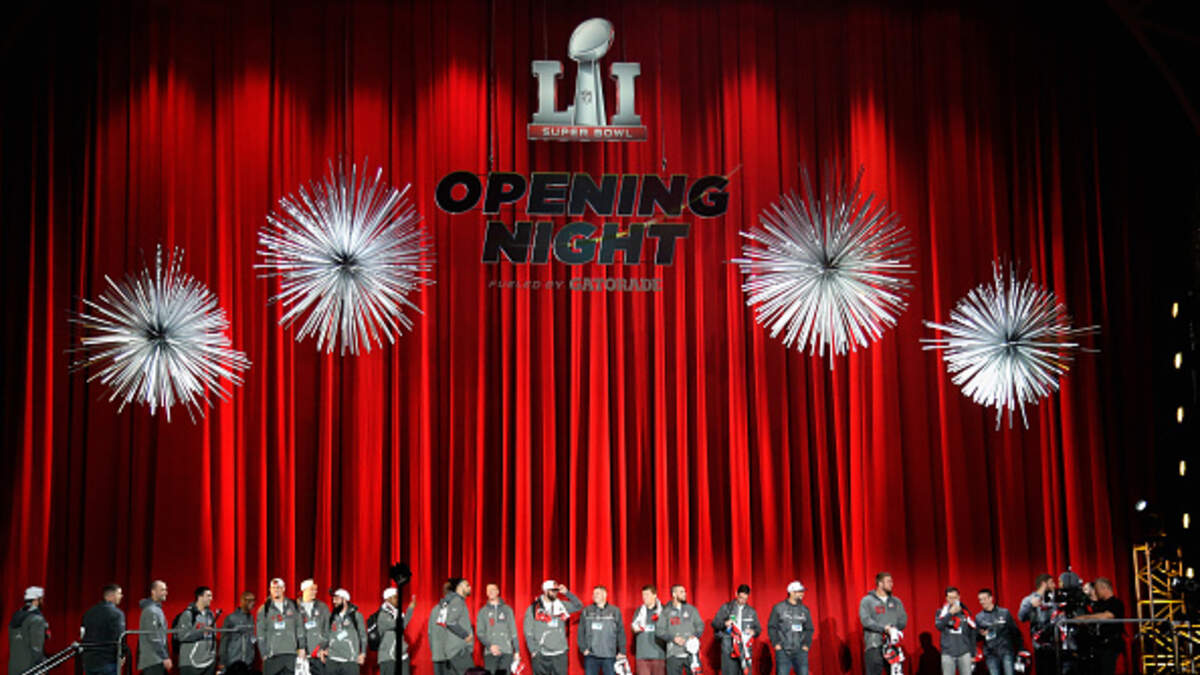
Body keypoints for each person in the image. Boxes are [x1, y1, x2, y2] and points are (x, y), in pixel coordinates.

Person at [523, 580, 583, 675]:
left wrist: (567, 593)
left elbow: (579, 606)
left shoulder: (562, 605)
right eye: (552, 590)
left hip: (560, 653)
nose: (555, 593)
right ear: (545, 591)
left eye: (556, 590)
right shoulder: (534, 608)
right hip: (541, 654)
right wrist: (533, 650)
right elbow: (528, 631)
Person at [859, 572, 907, 675]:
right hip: (874, 645)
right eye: (888, 581)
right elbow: (866, 620)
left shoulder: (896, 602)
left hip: (893, 647)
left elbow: (903, 620)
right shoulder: (867, 601)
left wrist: (893, 629)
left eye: (892, 582)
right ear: (880, 583)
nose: (891, 584)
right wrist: (884, 628)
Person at [257, 578, 307, 675]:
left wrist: (302, 647)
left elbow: (299, 627)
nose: (276, 590)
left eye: (279, 587)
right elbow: (260, 633)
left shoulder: (293, 606)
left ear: (284, 589)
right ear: (270, 590)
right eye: (274, 588)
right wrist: (263, 653)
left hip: (290, 654)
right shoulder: (264, 609)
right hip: (272, 656)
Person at [1076, 578, 1124, 675]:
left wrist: (1085, 618)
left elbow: (1108, 616)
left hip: (1110, 645)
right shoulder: (1099, 604)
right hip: (1097, 645)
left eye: (1097, 589)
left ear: (1104, 588)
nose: (1096, 592)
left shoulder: (1116, 603)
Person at [712, 584, 761, 675]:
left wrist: (753, 632)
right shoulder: (726, 608)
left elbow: (758, 629)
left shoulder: (751, 612)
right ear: (736, 594)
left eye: (745, 599)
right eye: (741, 598)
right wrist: (725, 623)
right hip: (729, 648)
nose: (742, 601)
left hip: (745, 650)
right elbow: (715, 623)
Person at [429, 577, 474, 675]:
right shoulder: (456, 602)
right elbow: (450, 622)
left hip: (447, 653)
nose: (470, 587)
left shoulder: (439, 608)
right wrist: (465, 635)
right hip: (457, 650)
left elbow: (432, 633)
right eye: (467, 585)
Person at [655, 585, 704, 675]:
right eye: (681, 592)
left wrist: (695, 635)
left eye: (685, 592)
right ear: (674, 594)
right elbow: (659, 630)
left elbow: (700, 625)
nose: (684, 594)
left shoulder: (692, 610)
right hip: (674, 654)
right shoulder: (666, 612)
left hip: (691, 654)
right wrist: (673, 638)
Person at [767, 581, 813, 675]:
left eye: (802, 591)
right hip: (783, 652)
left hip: (800, 651)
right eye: (799, 591)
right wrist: (776, 644)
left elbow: (809, 629)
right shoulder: (778, 608)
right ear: (791, 592)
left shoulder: (804, 610)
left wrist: (806, 645)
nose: (802, 594)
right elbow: (772, 627)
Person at [578, 585, 626, 675]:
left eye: (597, 593)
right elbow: (581, 631)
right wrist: (583, 648)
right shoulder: (586, 611)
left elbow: (620, 632)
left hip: (609, 655)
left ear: (605, 595)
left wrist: (622, 650)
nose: (594, 595)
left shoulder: (615, 611)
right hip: (591, 655)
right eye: (593, 594)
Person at [81, 584, 127, 675]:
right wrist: (122, 654)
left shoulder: (88, 613)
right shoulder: (117, 614)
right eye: (119, 593)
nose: (121, 596)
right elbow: (119, 636)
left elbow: (83, 634)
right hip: (108, 661)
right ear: (111, 595)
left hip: (89, 661)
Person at [477, 583, 520, 675]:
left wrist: (516, 651)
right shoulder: (482, 612)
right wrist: (490, 646)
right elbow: (480, 633)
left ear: (498, 592)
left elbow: (513, 631)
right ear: (486, 593)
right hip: (490, 652)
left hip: (506, 651)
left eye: (493, 589)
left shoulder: (507, 610)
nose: (490, 592)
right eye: (488, 590)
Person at [1017, 574, 1056, 675]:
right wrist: (1031, 605)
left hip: (1056, 643)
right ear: (1044, 584)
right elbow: (1021, 617)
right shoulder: (1029, 600)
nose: (1054, 585)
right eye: (1051, 582)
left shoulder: (1054, 598)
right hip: (1040, 645)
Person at [975, 588, 1018, 675]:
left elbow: (1015, 632)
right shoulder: (978, 617)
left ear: (991, 598)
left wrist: (1020, 649)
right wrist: (981, 634)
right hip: (990, 654)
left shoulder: (1004, 613)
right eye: (980, 600)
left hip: (1006, 651)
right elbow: (976, 637)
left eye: (984, 599)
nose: (982, 602)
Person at [177, 586, 218, 675]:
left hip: (209, 662)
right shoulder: (188, 614)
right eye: (208, 596)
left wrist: (213, 655)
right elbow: (182, 636)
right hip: (190, 663)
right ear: (200, 597)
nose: (211, 599)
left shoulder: (210, 615)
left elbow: (213, 637)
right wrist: (202, 632)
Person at [934, 587, 975, 675]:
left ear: (959, 597)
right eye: (950, 598)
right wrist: (950, 614)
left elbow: (972, 633)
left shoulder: (966, 612)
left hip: (964, 652)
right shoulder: (941, 612)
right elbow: (939, 626)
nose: (953, 600)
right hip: (948, 653)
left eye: (955, 598)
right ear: (946, 599)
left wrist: (972, 653)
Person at [10, 586, 49, 675]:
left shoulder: (16, 616)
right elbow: (36, 647)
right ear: (36, 600)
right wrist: (40, 667)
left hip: (15, 667)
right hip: (32, 668)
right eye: (41, 599)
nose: (43, 602)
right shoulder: (36, 619)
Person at [326, 589, 367, 675]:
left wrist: (363, 653)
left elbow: (363, 636)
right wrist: (324, 649)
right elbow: (327, 634)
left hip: (350, 661)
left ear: (344, 599)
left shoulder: (356, 616)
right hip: (332, 660)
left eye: (337, 599)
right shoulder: (332, 616)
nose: (334, 601)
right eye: (333, 599)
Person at [378, 589, 416, 675]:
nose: (398, 600)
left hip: (402, 656)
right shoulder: (383, 615)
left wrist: (410, 609)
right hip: (388, 656)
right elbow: (399, 624)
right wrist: (410, 610)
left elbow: (402, 625)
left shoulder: (397, 613)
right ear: (388, 599)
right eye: (395, 597)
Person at [629, 585, 665, 675]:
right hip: (642, 655)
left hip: (659, 655)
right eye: (643, 595)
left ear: (655, 595)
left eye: (647, 594)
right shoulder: (639, 611)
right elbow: (633, 628)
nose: (644, 597)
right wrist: (635, 628)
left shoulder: (663, 610)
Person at [138, 581, 172, 675]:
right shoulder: (151, 611)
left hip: (156, 660)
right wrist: (164, 656)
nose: (166, 593)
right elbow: (154, 636)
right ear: (153, 592)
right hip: (153, 661)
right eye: (162, 590)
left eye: (166, 590)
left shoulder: (156, 610)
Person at [298, 580, 331, 675]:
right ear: (304, 590)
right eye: (311, 589)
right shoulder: (294, 608)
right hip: (300, 656)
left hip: (319, 655)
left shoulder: (323, 607)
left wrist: (322, 647)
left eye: (315, 589)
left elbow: (328, 630)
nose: (315, 592)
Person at [220, 592, 257, 675]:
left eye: (254, 600)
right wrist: (222, 660)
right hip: (233, 662)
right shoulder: (231, 618)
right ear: (243, 601)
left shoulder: (251, 618)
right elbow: (224, 640)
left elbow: (252, 638)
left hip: (248, 662)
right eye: (250, 600)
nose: (253, 603)